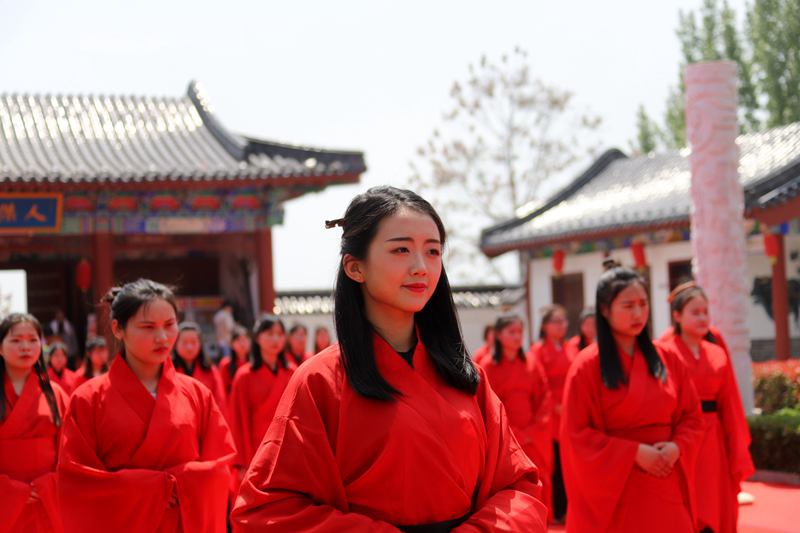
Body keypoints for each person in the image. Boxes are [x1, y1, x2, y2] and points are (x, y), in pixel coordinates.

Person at [232, 186, 547, 531]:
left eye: (433, 251)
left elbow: (519, 488)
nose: (421, 267)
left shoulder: (466, 375)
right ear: (355, 267)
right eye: (401, 249)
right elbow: (269, 509)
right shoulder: (320, 380)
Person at [57, 279, 236, 533]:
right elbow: (78, 482)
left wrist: (181, 485)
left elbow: (219, 466)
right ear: (118, 329)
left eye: (169, 325)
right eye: (148, 327)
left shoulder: (197, 393)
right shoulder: (88, 398)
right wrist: (158, 489)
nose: (162, 337)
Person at [560, 264, 704, 533]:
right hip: (617, 487)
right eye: (628, 306)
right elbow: (576, 434)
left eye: (643, 303)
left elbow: (692, 417)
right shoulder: (587, 365)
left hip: (665, 475)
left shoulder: (668, 358)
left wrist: (677, 447)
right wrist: (634, 454)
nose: (639, 313)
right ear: (605, 310)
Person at [657, 282, 754, 533]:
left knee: (714, 501)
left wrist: (736, 447)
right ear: (677, 316)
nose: (703, 318)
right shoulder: (665, 351)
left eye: (705, 312)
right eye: (695, 312)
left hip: (713, 439)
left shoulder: (717, 353)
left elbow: (730, 403)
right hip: (680, 440)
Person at [478, 315, 553, 520]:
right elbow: (488, 406)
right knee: (511, 490)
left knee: (540, 483)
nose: (517, 337)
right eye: (511, 332)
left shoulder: (532, 363)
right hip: (505, 439)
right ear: (499, 335)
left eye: (520, 332)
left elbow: (544, 399)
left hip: (534, 436)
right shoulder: (488, 366)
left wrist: (532, 431)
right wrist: (514, 434)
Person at [1, 313, 69, 533]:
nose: (26, 347)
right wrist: (9, 490)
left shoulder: (55, 394)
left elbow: (71, 450)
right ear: (0, 347)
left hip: (48, 497)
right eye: (16, 340)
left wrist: (52, 483)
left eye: (33, 340)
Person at [228, 315, 293, 482]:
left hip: (287, 448)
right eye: (270, 334)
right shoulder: (244, 376)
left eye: (280, 334)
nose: (276, 339)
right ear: (257, 338)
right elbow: (236, 420)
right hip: (255, 449)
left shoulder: (292, 372)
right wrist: (241, 462)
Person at [528, 304, 577, 523]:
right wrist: (555, 403)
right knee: (554, 461)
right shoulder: (538, 350)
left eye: (563, 321)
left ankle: (570, 507)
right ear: (545, 326)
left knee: (571, 461)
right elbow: (539, 382)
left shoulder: (570, 347)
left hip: (572, 409)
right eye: (556, 321)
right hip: (551, 412)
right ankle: (557, 509)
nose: (561, 326)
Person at [172, 322, 227, 410]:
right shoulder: (168, 371)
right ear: (175, 344)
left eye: (193, 342)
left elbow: (220, 402)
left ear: (200, 344)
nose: (189, 347)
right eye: (184, 342)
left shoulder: (211, 371)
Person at [219, 325, 251, 397]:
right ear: (231, 344)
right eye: (238, 340)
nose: (242, 344)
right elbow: (222, 390)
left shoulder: (255, 363)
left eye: (245, 340)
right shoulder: (226, 364)